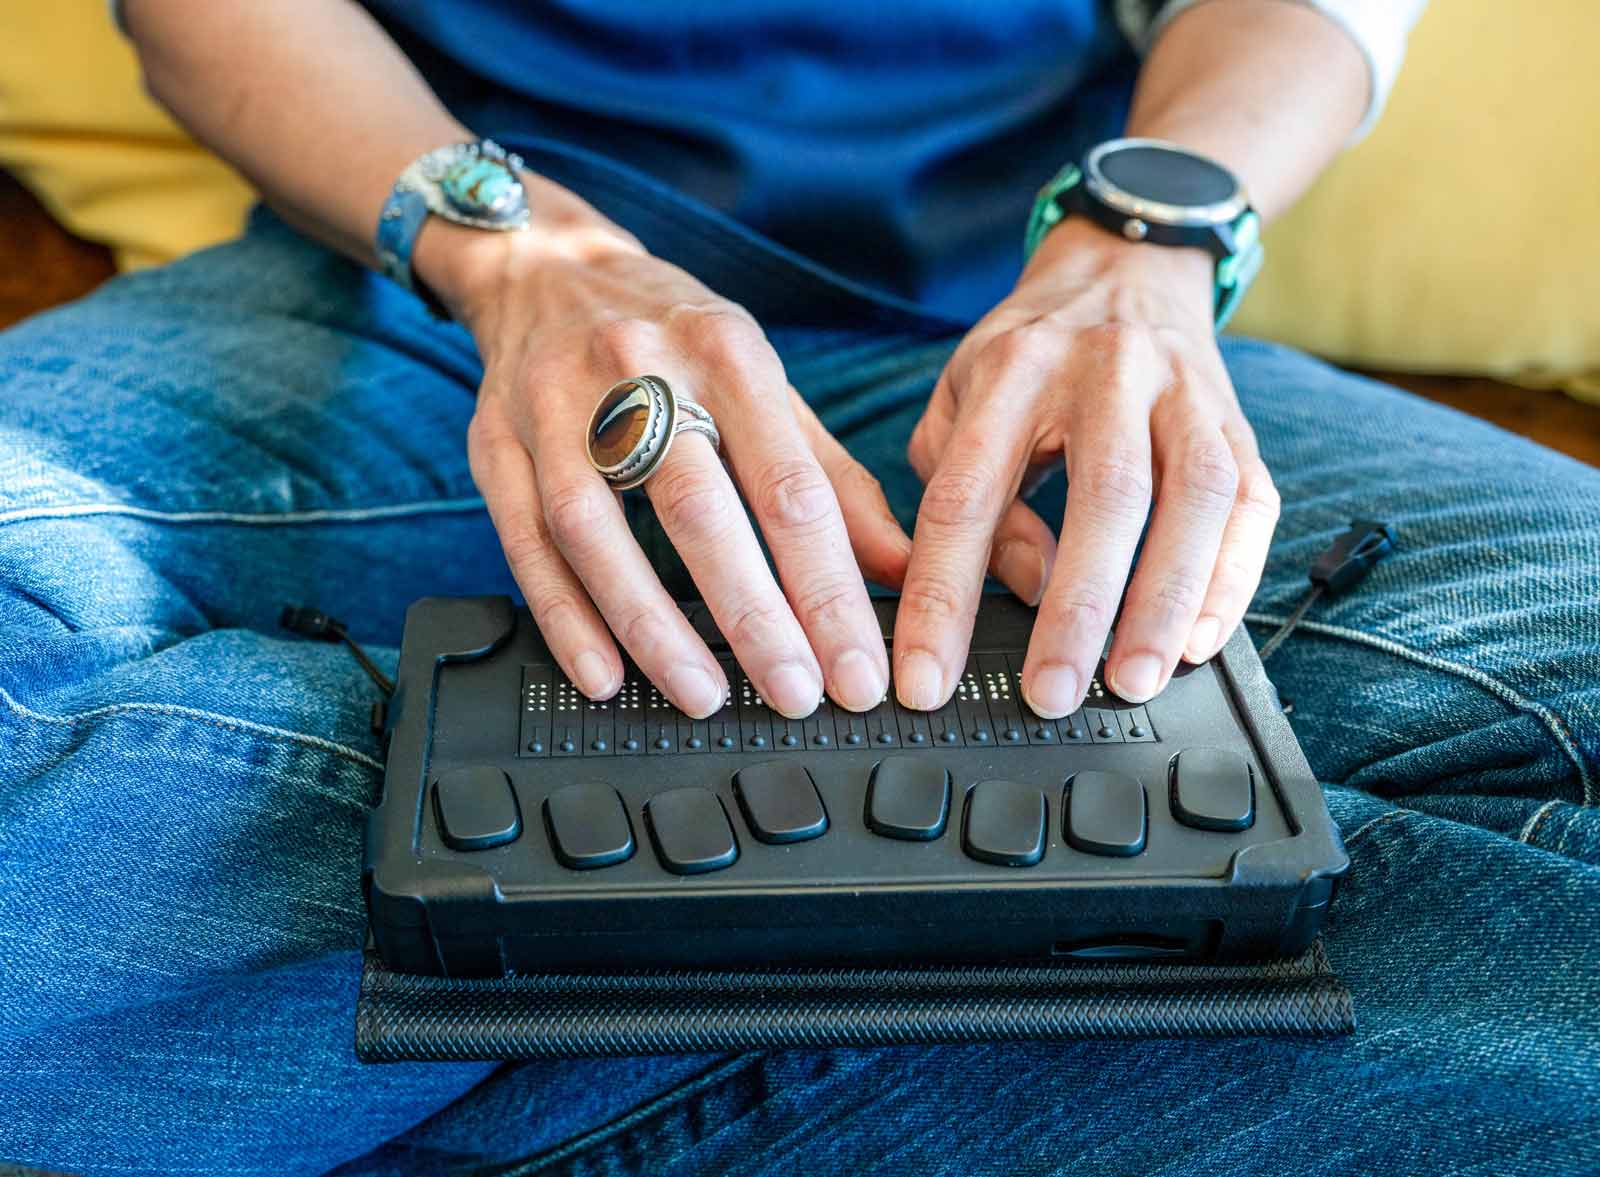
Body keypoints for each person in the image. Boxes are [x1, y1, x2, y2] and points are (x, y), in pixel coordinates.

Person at [3, 0, 1596, 1172]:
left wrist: (1146, 246)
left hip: (991, 365)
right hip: (413, 306)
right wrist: (527, 264)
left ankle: (335, 1056)